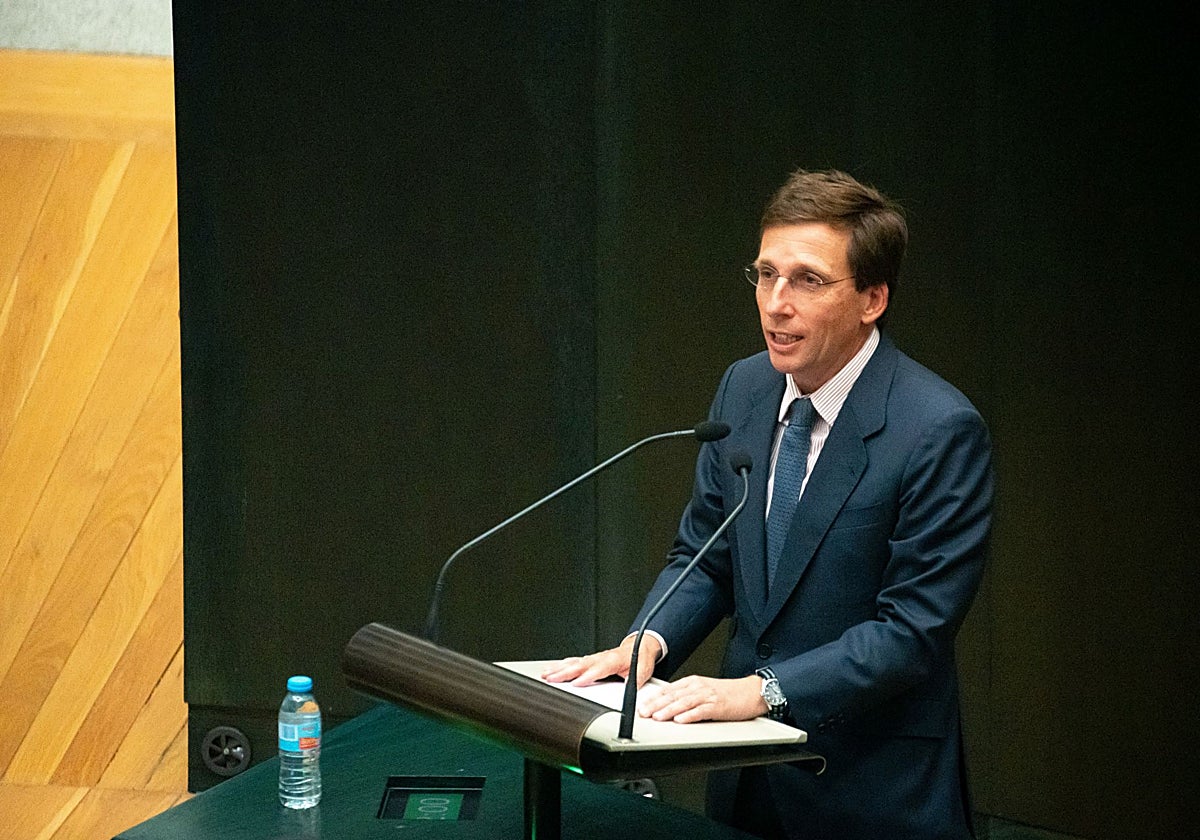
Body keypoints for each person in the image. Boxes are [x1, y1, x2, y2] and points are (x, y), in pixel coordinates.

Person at [543, 169, 993, 839]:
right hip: (748, 784)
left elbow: (910, 636)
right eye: (764, 274)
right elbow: (707, 553)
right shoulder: (744, 390)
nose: (775, 303)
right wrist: (649, 640)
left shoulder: (937, 430)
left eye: (808, 280)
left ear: (872, 298)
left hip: (872, 794)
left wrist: (758, 691)